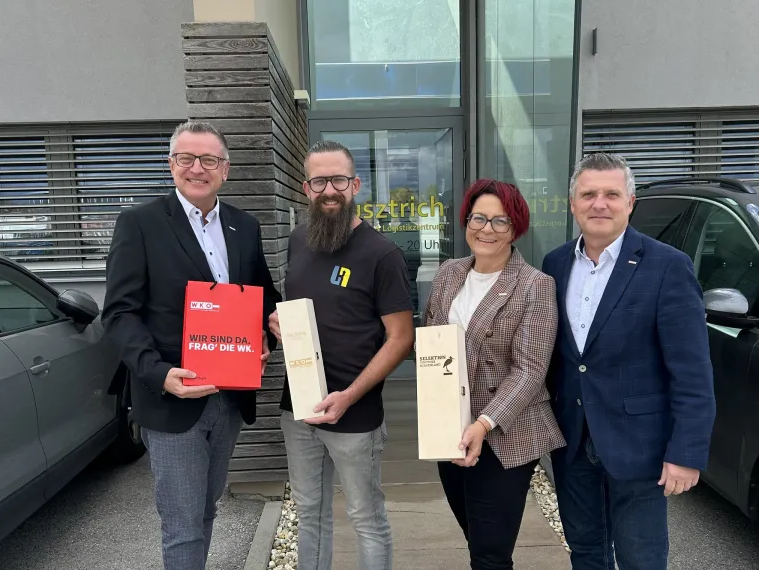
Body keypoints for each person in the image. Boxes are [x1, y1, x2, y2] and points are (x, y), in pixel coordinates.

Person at [101, 120, 282, 570]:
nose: (197, 168)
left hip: (230, 397)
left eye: (209, 160)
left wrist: (269, 332)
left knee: (206, 510)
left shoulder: (244, 225)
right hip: (173, 398)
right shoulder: (139, 224)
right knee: (182, 525)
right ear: (171, 165)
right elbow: (120, 314)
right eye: (187, 158)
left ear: (226, 169)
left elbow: (263, 298)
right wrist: (159, 374)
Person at [541, 152, 716, 570]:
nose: (599, 203)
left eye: (611, 194)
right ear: (572, 204)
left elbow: (692, 373)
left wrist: (686, 453)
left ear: (630, 202)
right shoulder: (555, 263)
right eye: (588, 194)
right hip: (573, 444)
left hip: (640, 448)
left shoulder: (668, 267)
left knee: (642, 559)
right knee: (586, 554)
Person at [268, 140, 415, 570]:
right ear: (305, 188)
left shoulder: (381, 254)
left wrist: (349, 395)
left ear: (355, 185)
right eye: (319, 181)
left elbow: (401, 338)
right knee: (309, 514)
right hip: (297, 407)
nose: (328, 189)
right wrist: (278, 324)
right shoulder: (298, 242)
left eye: (338, 179)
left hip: (356, 414)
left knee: (366, 518)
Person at [422, 179, 566, 570]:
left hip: (505, 434)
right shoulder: (449, 273)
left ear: (516, 228)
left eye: (500, 221)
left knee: (490, 553)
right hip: (450, 429)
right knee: (475, 536)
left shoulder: (536, 285)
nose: (486, 229)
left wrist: (483, 424)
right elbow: (431, 339)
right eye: (478, 218)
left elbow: (530, 370)